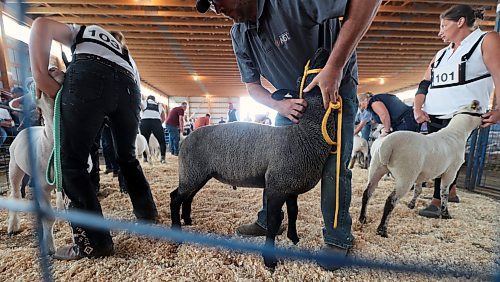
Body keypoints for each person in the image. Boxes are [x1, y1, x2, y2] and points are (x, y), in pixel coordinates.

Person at [195, 0, 381, 270]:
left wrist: (335, 67)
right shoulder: (239, 33)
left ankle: (337, 238)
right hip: (290, 101)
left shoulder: (289, 3)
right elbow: (252, 86)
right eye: (211, 6)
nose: (217, 9)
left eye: (217, 1)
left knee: (333, 165)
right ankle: (268, 220)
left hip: (331, 90)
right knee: (276, 162)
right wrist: (277, 104)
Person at [29, 18, 158, 260]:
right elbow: (138, 96)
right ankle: (147, 214)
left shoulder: (85, 32)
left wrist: (40, 76)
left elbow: (42, 24)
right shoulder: (127, 56)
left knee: (71, 163)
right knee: (127, 158)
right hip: (130, 88)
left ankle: (94, 243)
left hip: (90, 77)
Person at [413, 5, 499, 218]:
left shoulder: (487, 40)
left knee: (442, 155)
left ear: (460, 22)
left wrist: (499, 109)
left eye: (443, 26)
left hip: (464, 112)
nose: (439, 32)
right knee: (441, 155)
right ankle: (449, 192)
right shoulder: (441, 54)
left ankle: (437, 203)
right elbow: (425, 83)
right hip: (435, 112)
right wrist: (418, 107)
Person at [140, 95, 167, 163]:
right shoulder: (159, 105)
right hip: (156, 121)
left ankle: (145, 158)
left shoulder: (144, 102)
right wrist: (159, 124)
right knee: (162, 141)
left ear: (148, 99)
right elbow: (163, 117)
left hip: (145, 121)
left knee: (145, 141)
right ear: (154, 100)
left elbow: (138, 109)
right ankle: (163, 158)